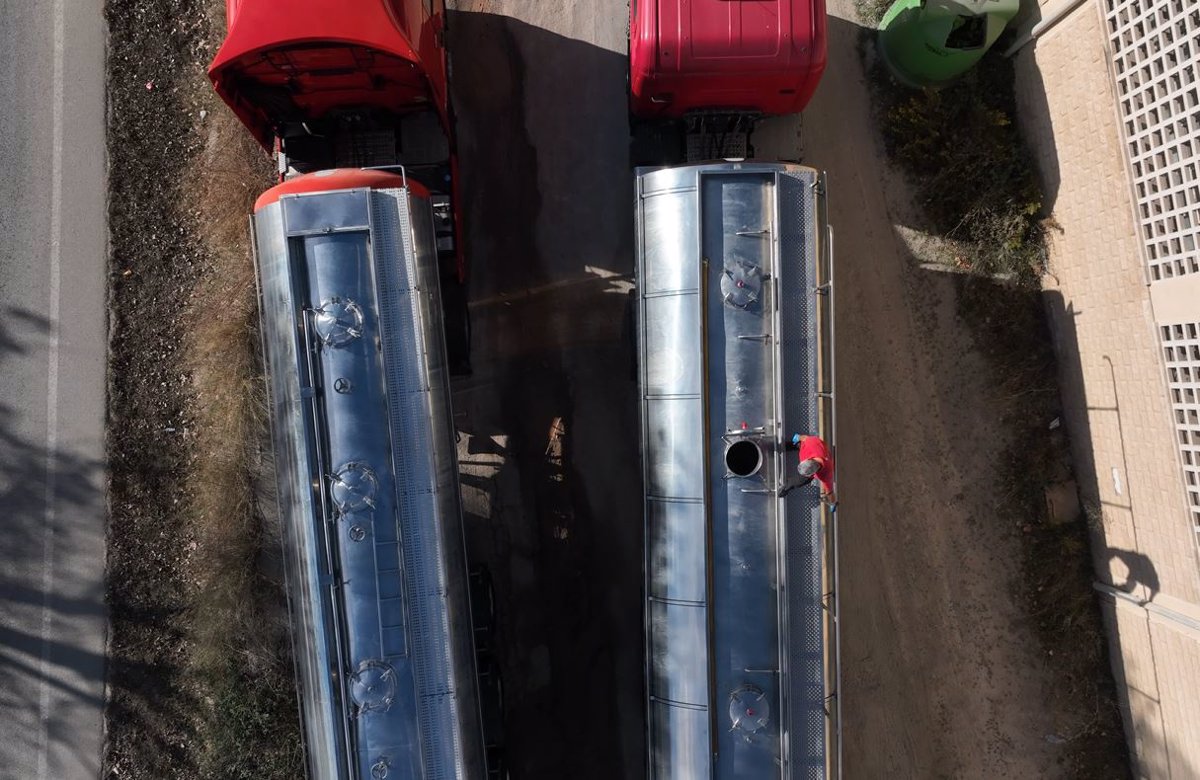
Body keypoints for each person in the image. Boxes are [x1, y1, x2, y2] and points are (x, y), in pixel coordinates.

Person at [783, 432, 836, 507]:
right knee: (794, 444)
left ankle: (786, 486)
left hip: (819, 455)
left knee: (799, 481)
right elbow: (803, 438)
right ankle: (782, 447)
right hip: (806, 447)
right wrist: (798, 437)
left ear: (813, 474)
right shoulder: (811, 444)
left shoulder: (826, 475)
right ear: (809, 459)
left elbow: (830, 492)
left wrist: (832, 503)